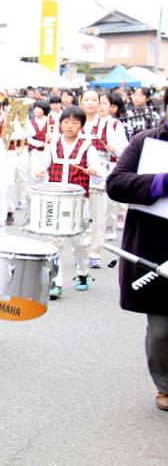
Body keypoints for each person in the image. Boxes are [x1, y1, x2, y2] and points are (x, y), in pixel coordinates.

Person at [106, 115, 168, 412]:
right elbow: (116, 183)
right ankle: (166, 385)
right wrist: (161, 182)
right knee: (161, 328)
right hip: (156, 248)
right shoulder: (146, 141)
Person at [33, 106, 102, 298]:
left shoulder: (87, 146)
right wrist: (39, 172)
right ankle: (55, 281)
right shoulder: (53, 145)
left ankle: (82, 272)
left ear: (81, 125)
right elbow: (41, 168)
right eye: (66, 122)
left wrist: (94, 172)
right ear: (60, 123)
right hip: (55, 200)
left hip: (79, 201)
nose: (69, 126)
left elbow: (98, 173)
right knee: (54, 241)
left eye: (74, 122)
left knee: (79, 242)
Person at [81, 90, 128, 268]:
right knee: (81, 213)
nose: (91, 103)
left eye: (95, 100)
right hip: (80, 172)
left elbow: (123, 150)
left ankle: (95, 251)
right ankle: (82, 247)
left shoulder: (110, 125)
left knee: (98, 213)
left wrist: (113, 148)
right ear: (81, 102)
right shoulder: (76, 121)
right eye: (87, 100)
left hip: (101, 171)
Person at [100, 92, 130, 239]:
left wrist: (115, 148)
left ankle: (109, 226)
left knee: (108, 198)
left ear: (111, 106)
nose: (100, 106)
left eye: (104, 103)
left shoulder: (115, 124)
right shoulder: (87, 122)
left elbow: (125, 147)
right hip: (92, 167)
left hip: (110, 164)